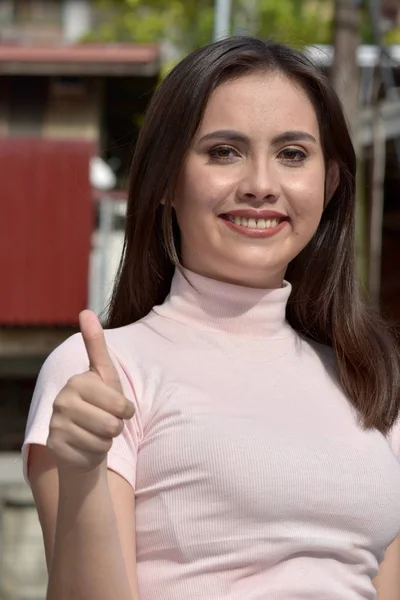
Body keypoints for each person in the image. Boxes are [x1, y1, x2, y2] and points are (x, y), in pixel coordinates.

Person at [23, 36, 400, 600]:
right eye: (224, 151)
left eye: (292, 154)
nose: (260, 185)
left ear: (330, 183)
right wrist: (81, 478)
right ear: (167, 182)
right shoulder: (101, 376)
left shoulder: (370, 378)